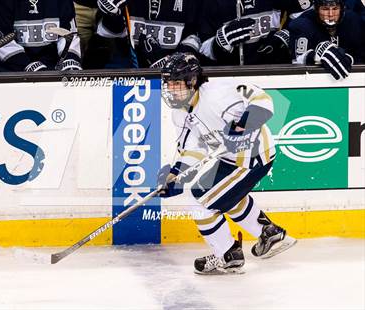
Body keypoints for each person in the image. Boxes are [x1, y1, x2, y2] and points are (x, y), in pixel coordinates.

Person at [157, 52, 296, 274]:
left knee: (200, 202)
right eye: (168, 84)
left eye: (176, 83)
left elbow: (264, 100)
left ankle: (228, 255)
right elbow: (193, 149)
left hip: (253, 157)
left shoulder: (219, 92)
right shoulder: (180, 113)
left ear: (192, 81)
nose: (171, 89)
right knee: (221, 196)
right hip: (228, 160)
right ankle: (269, 233)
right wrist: (175, 175)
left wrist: (244, 124)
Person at [198, 0, 313, 65]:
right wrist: (222, 41)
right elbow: (204, 49)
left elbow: (308, 17)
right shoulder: (211, 3)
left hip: (276, 72)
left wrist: (286, 36)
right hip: (231, 77)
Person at [93, 0, 202, 68]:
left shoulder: (190, 3)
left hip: (174, 75)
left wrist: (174, 62)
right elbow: (107, 41)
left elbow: (194, 36)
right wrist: (113, 16)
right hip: (125, 68)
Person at [0, 0, 82, 72]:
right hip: (14, 72)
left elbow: (68, 34)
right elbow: (2, 41)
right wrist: (26, 65)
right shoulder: (0, 2)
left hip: (53, 69)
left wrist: (70, 58)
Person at [288, 0, 365, 80]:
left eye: (335, 9)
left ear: (342, 9)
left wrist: (350, 59)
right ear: (317, 10)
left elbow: (361, 54)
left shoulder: (354, 21)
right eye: (325, 9)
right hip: (314, 80)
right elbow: (297, 60)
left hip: (349, 78)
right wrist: (315, 56)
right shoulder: (303, 24)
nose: (330, 14)